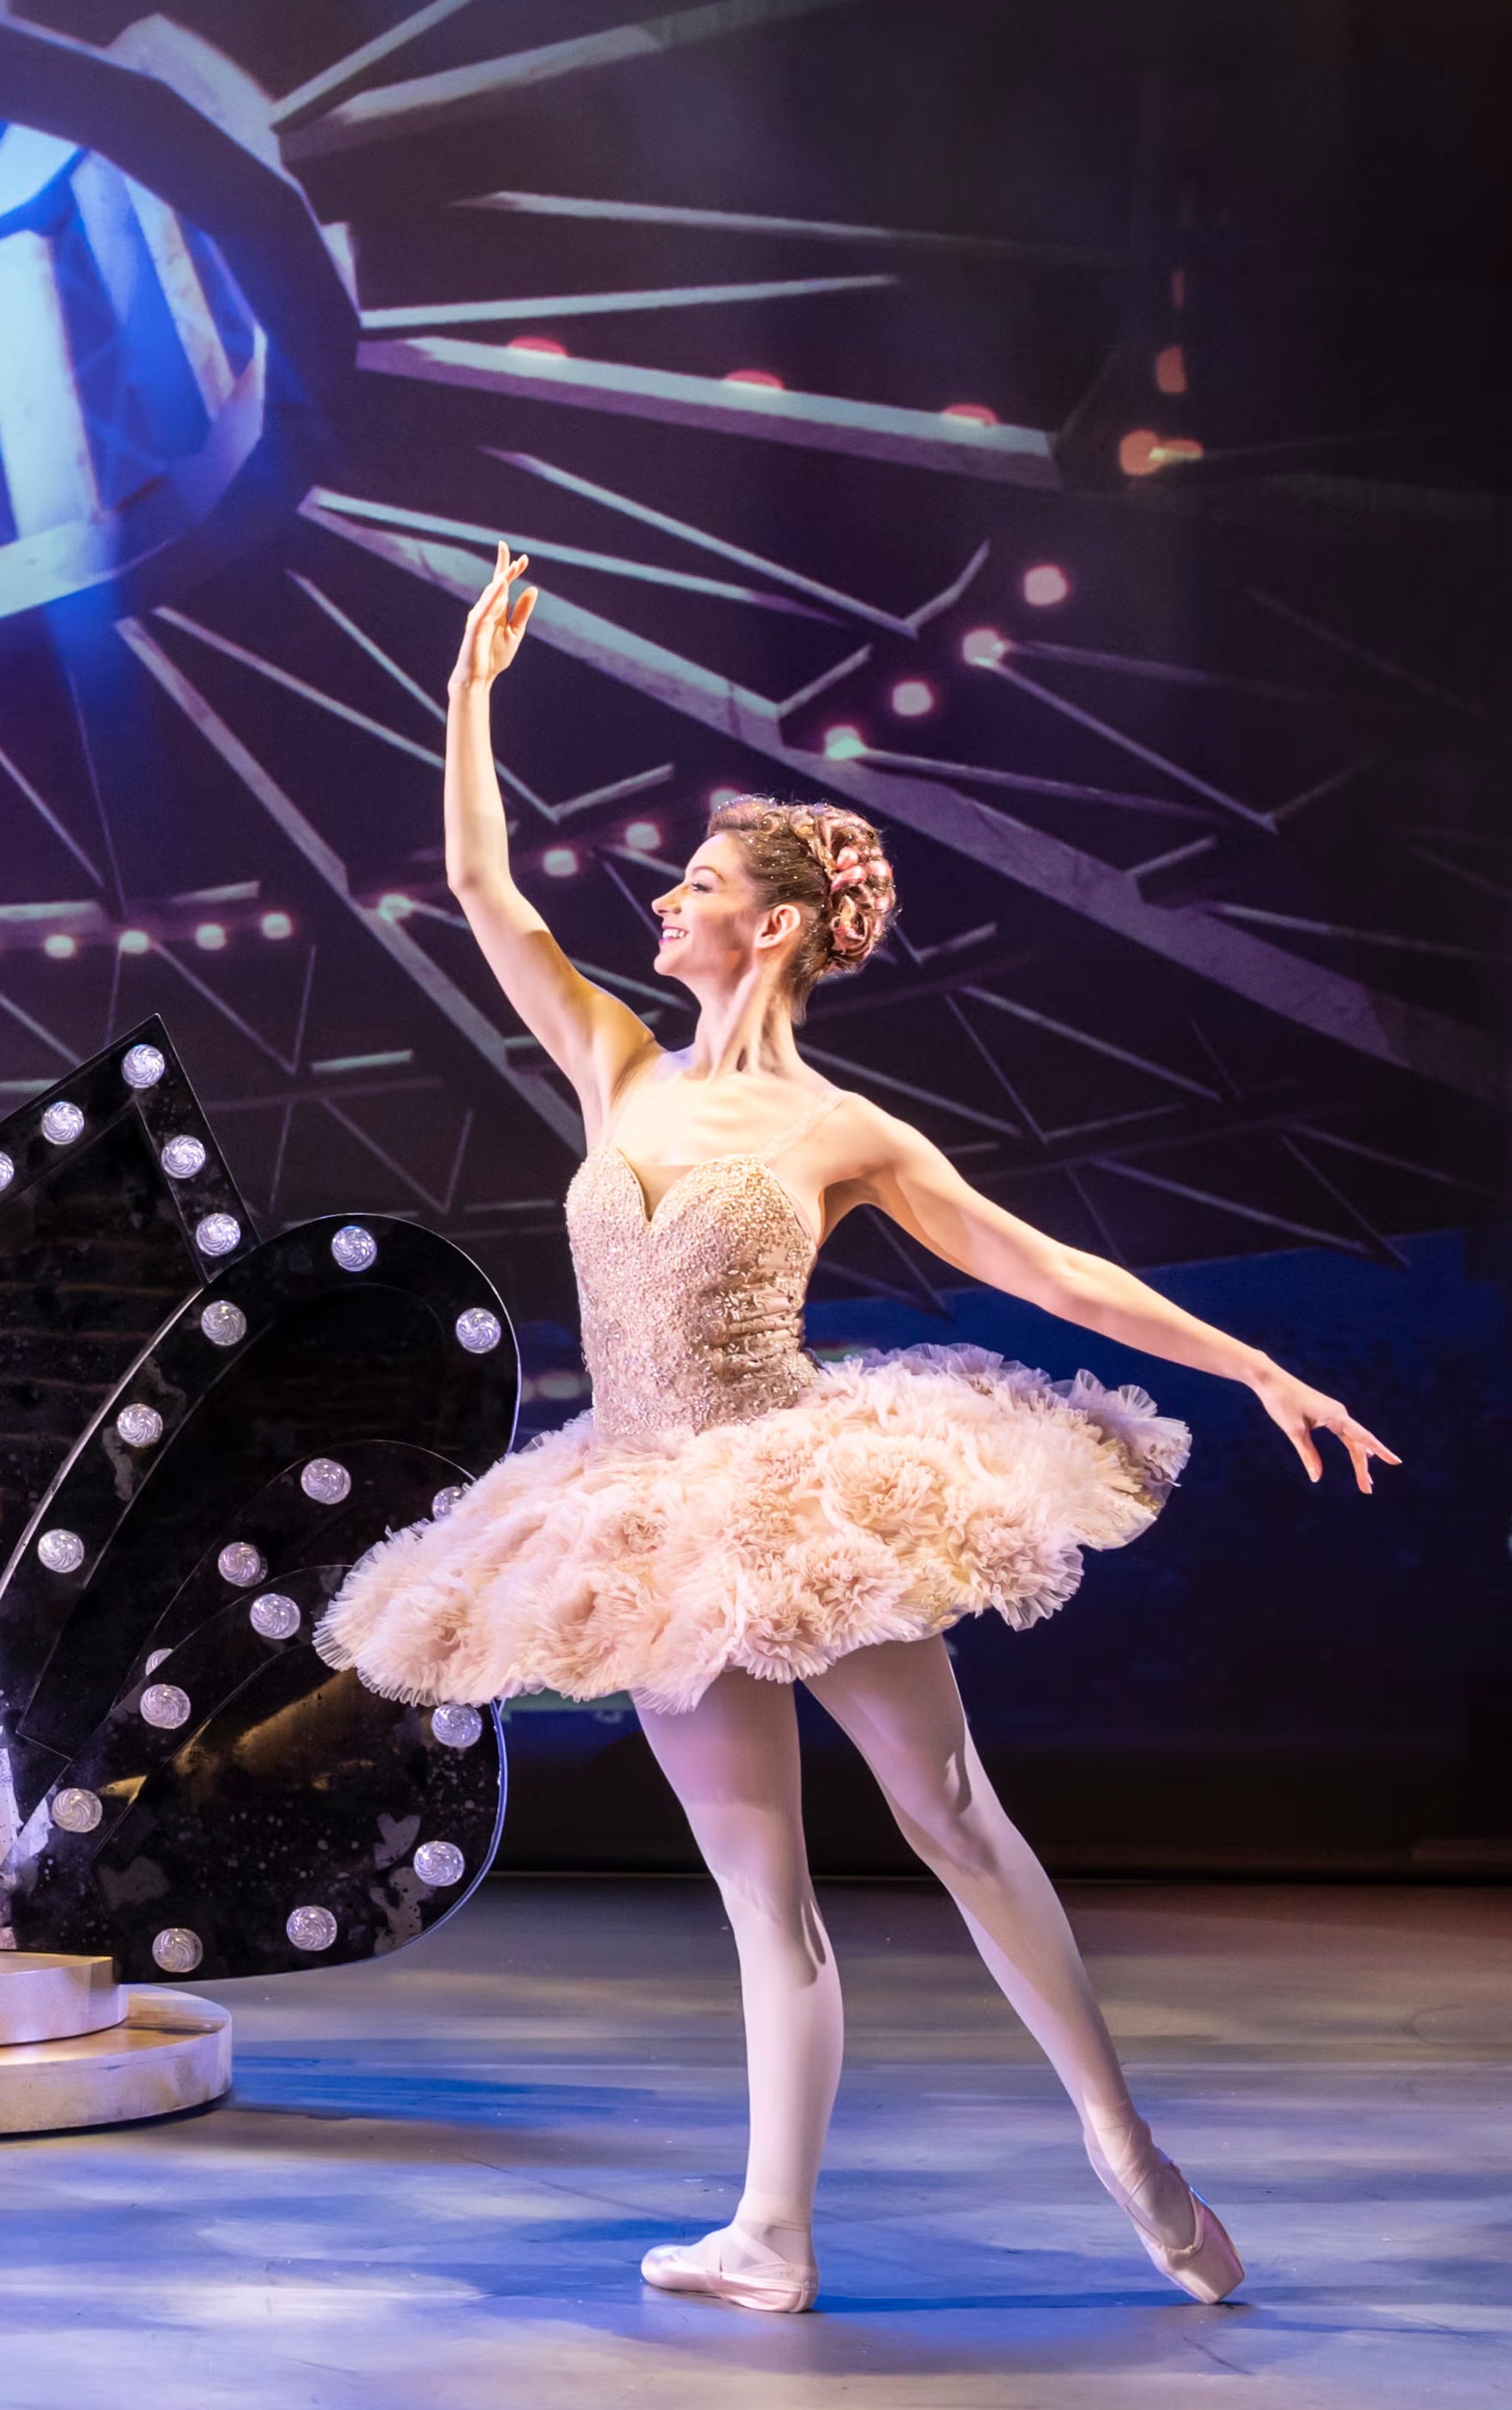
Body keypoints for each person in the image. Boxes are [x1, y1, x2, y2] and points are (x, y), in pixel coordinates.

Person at [317, 544, 1395, 2315]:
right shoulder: (612, 1061)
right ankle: (769, 2231)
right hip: (639, 1510)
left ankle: (1126, 2150)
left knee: (952, 1816)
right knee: (758, 1889)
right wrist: (466, 695)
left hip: (796, 1486)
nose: (657, 907)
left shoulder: (845, 1134)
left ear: (776, 925)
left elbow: (1049, 1270)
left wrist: (1254, 1366)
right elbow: (473, 881)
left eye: (690, 888)